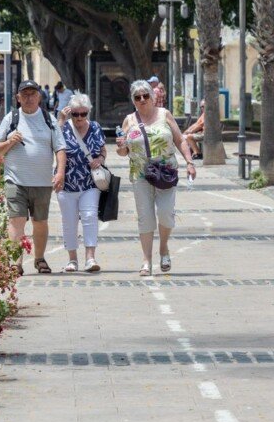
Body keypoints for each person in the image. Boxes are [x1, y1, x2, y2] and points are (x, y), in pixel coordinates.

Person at [116, 80, 197, 276]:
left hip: (166, 172)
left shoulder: (164, 115)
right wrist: (121, 146)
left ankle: (164, 248)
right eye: (138, 97)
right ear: (133, 100)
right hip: (140, 174)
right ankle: (146, 260)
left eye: (145, 96)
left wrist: (189, 162)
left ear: (153, 97)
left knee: (166, 214)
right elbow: (123, 152)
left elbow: (179, 139)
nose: (142, 100)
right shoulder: (129, 121)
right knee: (145, 217)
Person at [0, 80, 67, 275]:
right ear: (18, 98)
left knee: (39, 222)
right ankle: (15, 263)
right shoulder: (11, 119)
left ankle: (40, 259)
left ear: (39, 97)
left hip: (42, 182)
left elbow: (60, 148)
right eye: (24, 94)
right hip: (15, 180)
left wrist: (59, 173)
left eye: (32, 94)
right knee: (16, 220)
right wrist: (9, 141)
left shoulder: (49, 119)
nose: (29, 98)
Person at [55, 94, 107, 273]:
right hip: (66, 182)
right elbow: (52, 143)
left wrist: (99, 159)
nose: (79, 118)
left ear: (88, 112)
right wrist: (61, 120)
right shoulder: (63, 127)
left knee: (90, 216)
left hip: (89, 182)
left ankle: (90, 258)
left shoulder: (95, 127)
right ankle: (72, 259)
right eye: (75, 114)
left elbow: (102, 150)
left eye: (83, 114)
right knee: (69, 222)